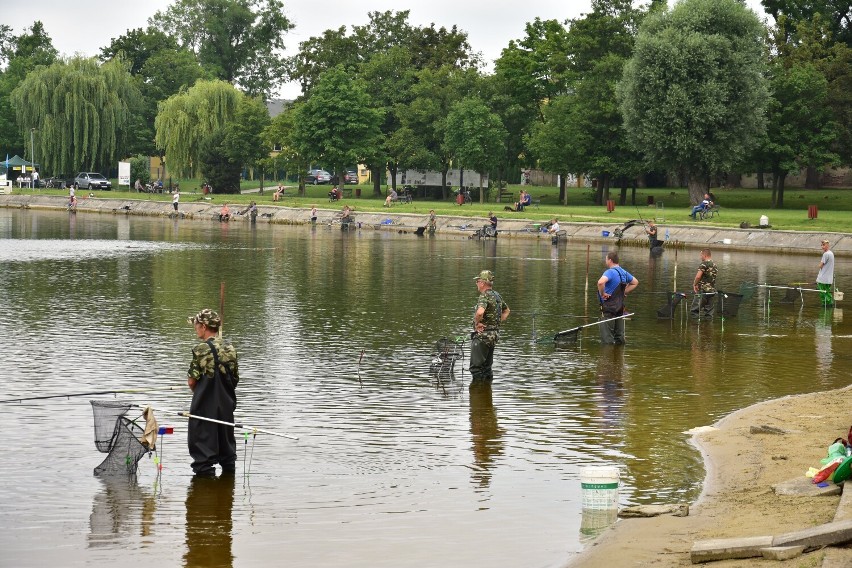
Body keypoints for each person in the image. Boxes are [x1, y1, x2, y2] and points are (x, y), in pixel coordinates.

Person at [185, 309, 239, 477]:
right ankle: (227, 490)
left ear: (203, 326)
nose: (195, 328)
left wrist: (200, 390)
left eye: (196, 325)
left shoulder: (200, 349)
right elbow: (235, 379)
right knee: (227, 455)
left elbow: (192, 381)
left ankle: (205, 495)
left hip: (204, 409)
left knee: (203, 458)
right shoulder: (230, 348)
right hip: (226, 407)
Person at [469, 270, 510, 384]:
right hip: (494, 336)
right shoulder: (497, 295)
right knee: (487, 368)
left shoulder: (484, 296)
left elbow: (480, 312)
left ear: (482, 283)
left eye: (477, 281)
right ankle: (487, 395)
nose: (476, 283)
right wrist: (495, 323)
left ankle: (478, 396)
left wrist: (477, 324)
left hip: (483, 336)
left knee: (476, 369)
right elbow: (506, 311)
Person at [597, 251, 639, 345]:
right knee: (619, 337)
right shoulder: (624, 272)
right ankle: (619, 357)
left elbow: (600, 282)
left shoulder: (610, 272)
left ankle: (607, 357)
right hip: (620, 308)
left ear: (610, 260)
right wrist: (623, 292)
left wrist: (602, 293)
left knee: (607, 339)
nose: (606, 261)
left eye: (606, 259)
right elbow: (635, 282)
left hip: (608, 308)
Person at [691, 248, 718, 320]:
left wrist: (694, 284)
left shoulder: (704, 264)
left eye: (701, 255)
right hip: (712, 291)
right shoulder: (714, 265)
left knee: (694, 311)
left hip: (703, 291)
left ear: (704, 255)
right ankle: (708, 329)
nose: (700, 257)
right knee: (709, 313)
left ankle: (694, 328)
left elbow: (698, 276)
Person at [817, 239, 835, 307]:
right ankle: (830, 305)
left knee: (823, 293)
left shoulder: (826, 254)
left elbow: (820, 265)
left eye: (824, 245)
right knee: (827, 292)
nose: (822, 247)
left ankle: (826, 306)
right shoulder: (831, 253)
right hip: (829, 279)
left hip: (823, 279)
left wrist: (818, 266)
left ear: (828, 245)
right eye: (822, 245)